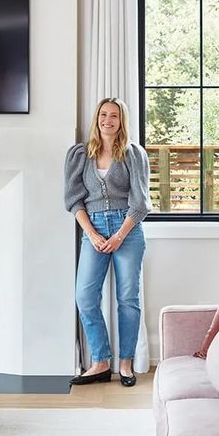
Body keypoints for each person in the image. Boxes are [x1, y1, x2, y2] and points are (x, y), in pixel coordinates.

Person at [65, 97, 152, 387]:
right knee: (85, 297)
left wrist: (118, 236)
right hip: (93, 229)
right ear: (97, 118)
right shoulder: (80, 154)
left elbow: (140, 203)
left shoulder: (133, 154)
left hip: (127, 230)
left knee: (128, 298)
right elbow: (73, 199)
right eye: (103, 114)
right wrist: (91, 233)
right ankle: (100, 361)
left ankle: (125, 362)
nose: (108, 120)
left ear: (121, 121)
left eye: (114, 115)